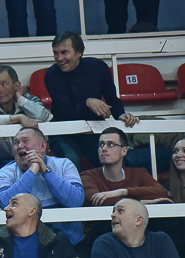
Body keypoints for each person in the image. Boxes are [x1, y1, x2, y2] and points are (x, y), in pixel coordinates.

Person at [44, 31, 138, 169]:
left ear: (79, 53)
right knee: (71, 160)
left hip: (95, 131)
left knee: (115, 162)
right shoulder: (51, 74)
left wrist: (120, 115)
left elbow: (112, 100)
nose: (59, 58)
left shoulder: (98, 67)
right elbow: (66, 113)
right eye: (55, 53)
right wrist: (88, 103)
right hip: (63, 133)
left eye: (64, 52)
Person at [0, 65, 52, 200]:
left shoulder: (29, 100)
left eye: (4, 84)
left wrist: (20, 98)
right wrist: (17, 118)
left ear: (16, 85)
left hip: (27, 157)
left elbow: (43, 116)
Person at [0, 127, 84, 245]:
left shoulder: (64, 165)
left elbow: (76, 201)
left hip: (69, 243)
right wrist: (32, 171)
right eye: (16, 143)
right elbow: (5, 203)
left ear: (42, 146)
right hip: (25, 244)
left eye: (25, 141)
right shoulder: (4, 173)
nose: (20, 146)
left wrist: (46, 171)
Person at [81, 128, 169, 207]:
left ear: (124, 151)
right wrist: (141, 203)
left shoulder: (138, 173)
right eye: (101, 145)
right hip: (105, 219)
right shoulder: (88, 176)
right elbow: (99, 200)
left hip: (135, 219)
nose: (104, 148)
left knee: (164, 204)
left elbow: (161, 192)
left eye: (110, 144)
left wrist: (123, 191)